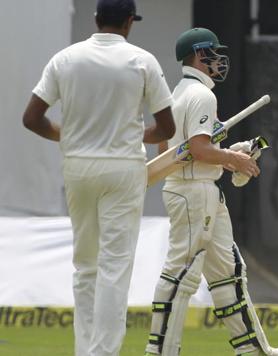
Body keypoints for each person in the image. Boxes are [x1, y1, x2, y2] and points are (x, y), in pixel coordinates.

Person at [22, 1, 175, 355]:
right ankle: (102, 353)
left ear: (95, 19)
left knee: (85, 265)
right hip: (123, 169)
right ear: (128, 22)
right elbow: (166, 127)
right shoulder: (142, 60)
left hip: (77, 167)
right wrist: (132, 135)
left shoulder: (65, 59)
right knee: (114, 267)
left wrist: (73, 136)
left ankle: (84, 350)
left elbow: (32, 118)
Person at [143, 28, 278, 356]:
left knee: (228, 272)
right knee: (182, 272)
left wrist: (231, 154)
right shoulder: (202, 96)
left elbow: (174, 149)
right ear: (199, 55)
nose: (219, 60)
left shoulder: (177, 93)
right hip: (195, 192)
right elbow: (198, 148)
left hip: (193, 186)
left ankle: (252, 349)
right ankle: (160, 351)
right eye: (214, 53)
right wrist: (233, 159)